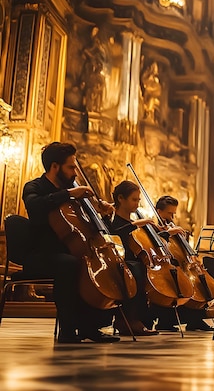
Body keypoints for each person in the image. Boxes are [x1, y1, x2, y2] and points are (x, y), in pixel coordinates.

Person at [22, 142, 120, 343]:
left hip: (74, 250)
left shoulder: (76, 195)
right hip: (42, 253)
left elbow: (90, 228)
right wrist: (68, 194)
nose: (75, 172)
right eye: (71, 167)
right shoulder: (35, 187)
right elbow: (34, 205)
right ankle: (67, 330)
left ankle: (91, 327)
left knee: (86, 266)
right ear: (55, 166)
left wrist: (102, 215)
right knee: (70, 264)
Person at [105, 181, 160, 336]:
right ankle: (130, 319)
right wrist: (137, 224)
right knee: (135, 268)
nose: (137, 203)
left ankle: (145, 317)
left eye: (138, 200)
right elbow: (115, 234)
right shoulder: (114, 220)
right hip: (119, 262)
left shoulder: (131, 222)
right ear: (121, 199)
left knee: (140, 268)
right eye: (134, 199)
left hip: (134, 262)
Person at [152, 195, 213, 332]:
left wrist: (182, 238)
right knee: (178, 283)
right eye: (169, 213)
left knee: (194, 282)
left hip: (180, 266)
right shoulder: (153, 228)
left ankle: (195, 319)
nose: (172, 218)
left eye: (173, 213)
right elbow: (156, 245)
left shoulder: (168, 226)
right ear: (158, 211)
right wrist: (168, 233)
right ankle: (167, 321)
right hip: (167, 268)